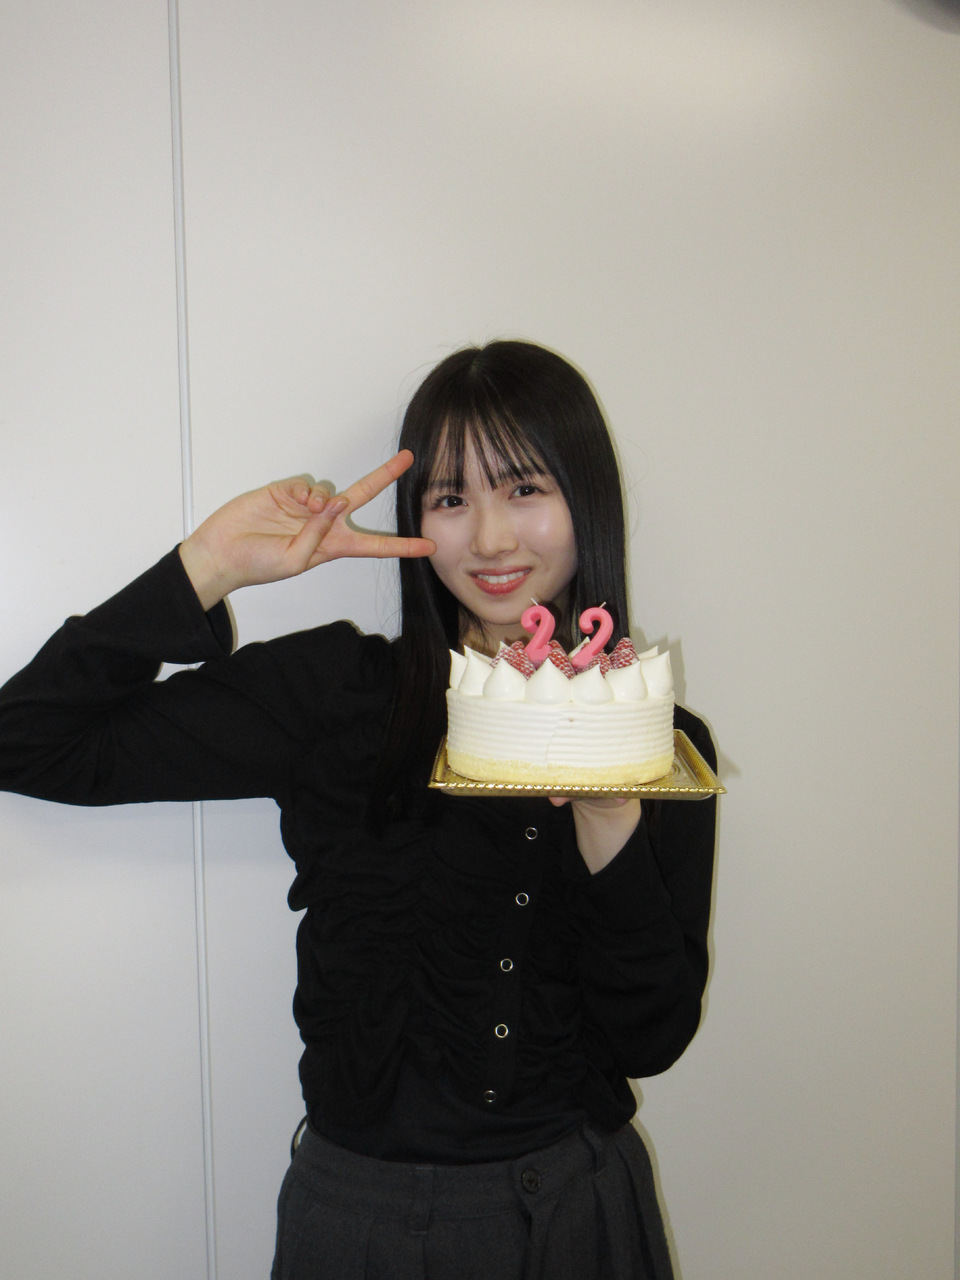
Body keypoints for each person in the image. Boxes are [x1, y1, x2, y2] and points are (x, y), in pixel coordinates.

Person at [0, 340, 717, 1280]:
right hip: (358, 1225)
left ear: (588, 501)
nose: (491, 538)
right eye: (451, 498)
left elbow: (649, 1039)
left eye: (524, 488)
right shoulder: (336, 692)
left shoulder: (654, 741)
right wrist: (208, 564)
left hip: (575, 1218)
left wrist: (610, 819)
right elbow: (28, 740)